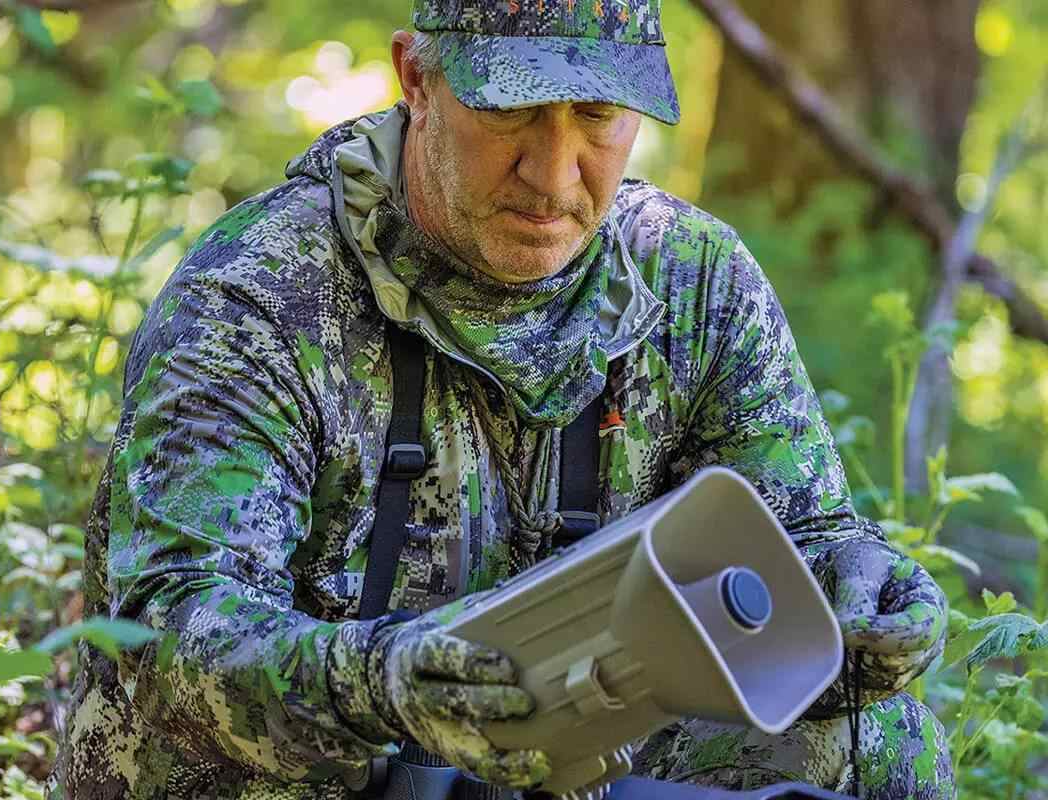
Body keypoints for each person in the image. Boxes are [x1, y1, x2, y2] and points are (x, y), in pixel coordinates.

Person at [49, 1, 955, 798]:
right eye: (512, 110)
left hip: (581, 761)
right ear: (417, 78)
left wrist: (855, 587)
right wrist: (382, 681)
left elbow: (800, 540)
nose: (554, 177)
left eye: (597, 116)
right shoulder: (261, 296)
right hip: (310, 773)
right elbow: (167, 632)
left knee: (877, 737)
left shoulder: (693, 282)